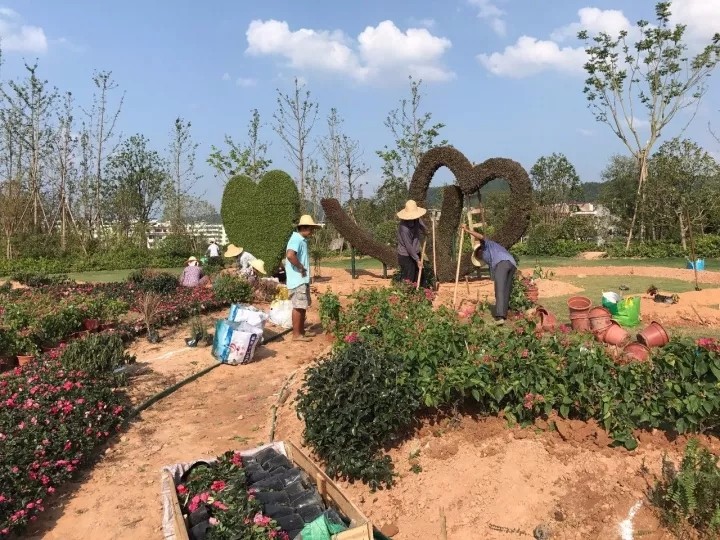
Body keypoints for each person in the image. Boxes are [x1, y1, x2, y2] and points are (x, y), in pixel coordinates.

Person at [461, 225, 517, 325]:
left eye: (479, 256)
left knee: (499, 289)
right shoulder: (493, 250)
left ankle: (500, 316)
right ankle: (504, 313)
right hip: (512, 264)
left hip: (502, 263)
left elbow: (480, 236)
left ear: (479, 251)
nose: (481, 258)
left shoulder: (486, 245)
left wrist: (467, 230)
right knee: (506, 290)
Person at [285, 215, 322, 341]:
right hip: (297, 280)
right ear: (304, 228)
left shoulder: (301, 240)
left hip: (301, 279)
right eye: (311, 228)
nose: (312, 231)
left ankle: (301, 331)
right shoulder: (296, 239)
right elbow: (290, 255)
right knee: (298, 306)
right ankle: (296, 335)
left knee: (302, 306)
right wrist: (301, 267)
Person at [396, 200, 427, 284]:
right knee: (409, 277)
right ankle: (406, 291)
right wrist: (417, 260)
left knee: (420, 275)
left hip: (415, 251)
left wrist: (425, 230)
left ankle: (423, 291)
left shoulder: (416, 219)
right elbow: (408, 246)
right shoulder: (404, 229)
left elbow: (421, 224)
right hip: (406, 255)